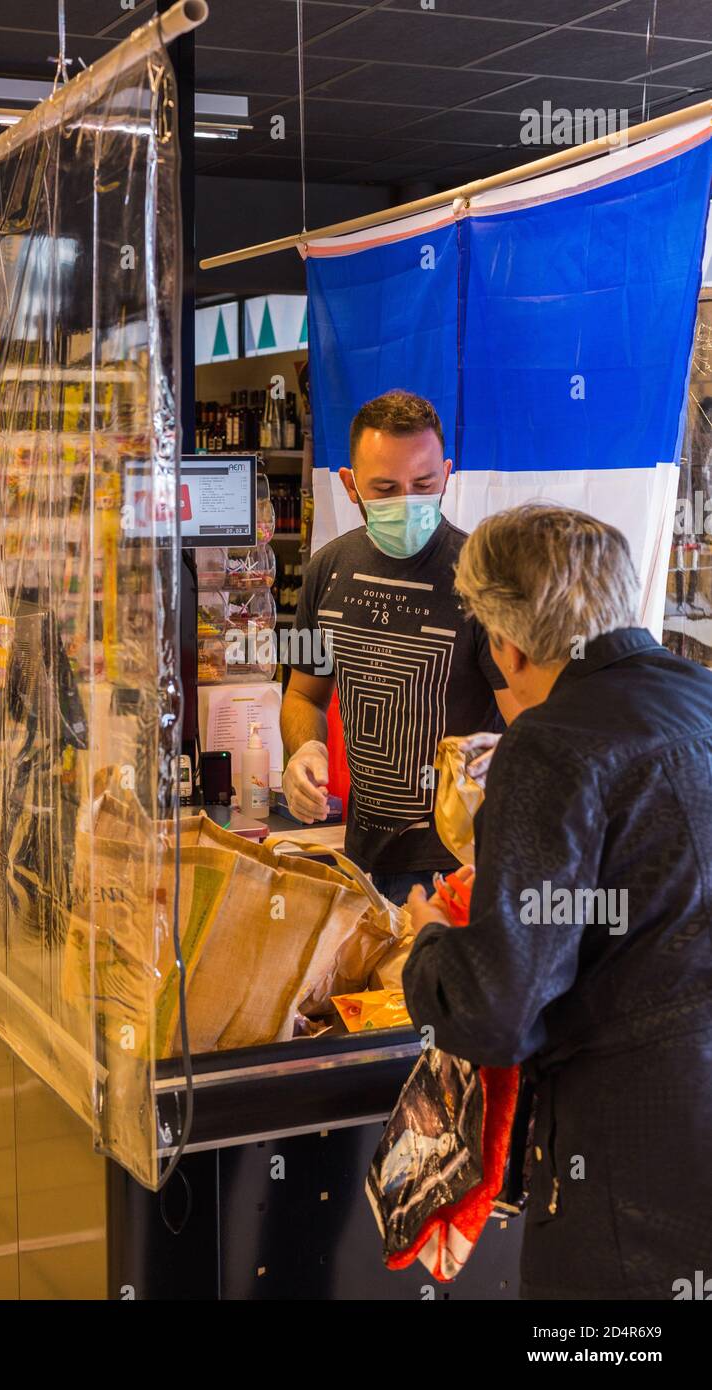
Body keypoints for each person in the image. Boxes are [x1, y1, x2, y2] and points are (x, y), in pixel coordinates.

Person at [403, 503, 712, 1301]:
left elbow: (496, 1012)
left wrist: (430, 945)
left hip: (629, 1167)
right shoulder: (698, 697)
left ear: (503, 643)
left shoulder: (551, 744)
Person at [280, 389, 519, 904]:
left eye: (424, 484)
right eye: (385, 488)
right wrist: (304, 750)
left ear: (447, 475)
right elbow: (303, 696)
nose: (407, 501)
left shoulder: (483, 579)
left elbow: (526, 727)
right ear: (350, 485)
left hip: (460, 866)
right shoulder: (325, 570)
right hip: (361, 855)